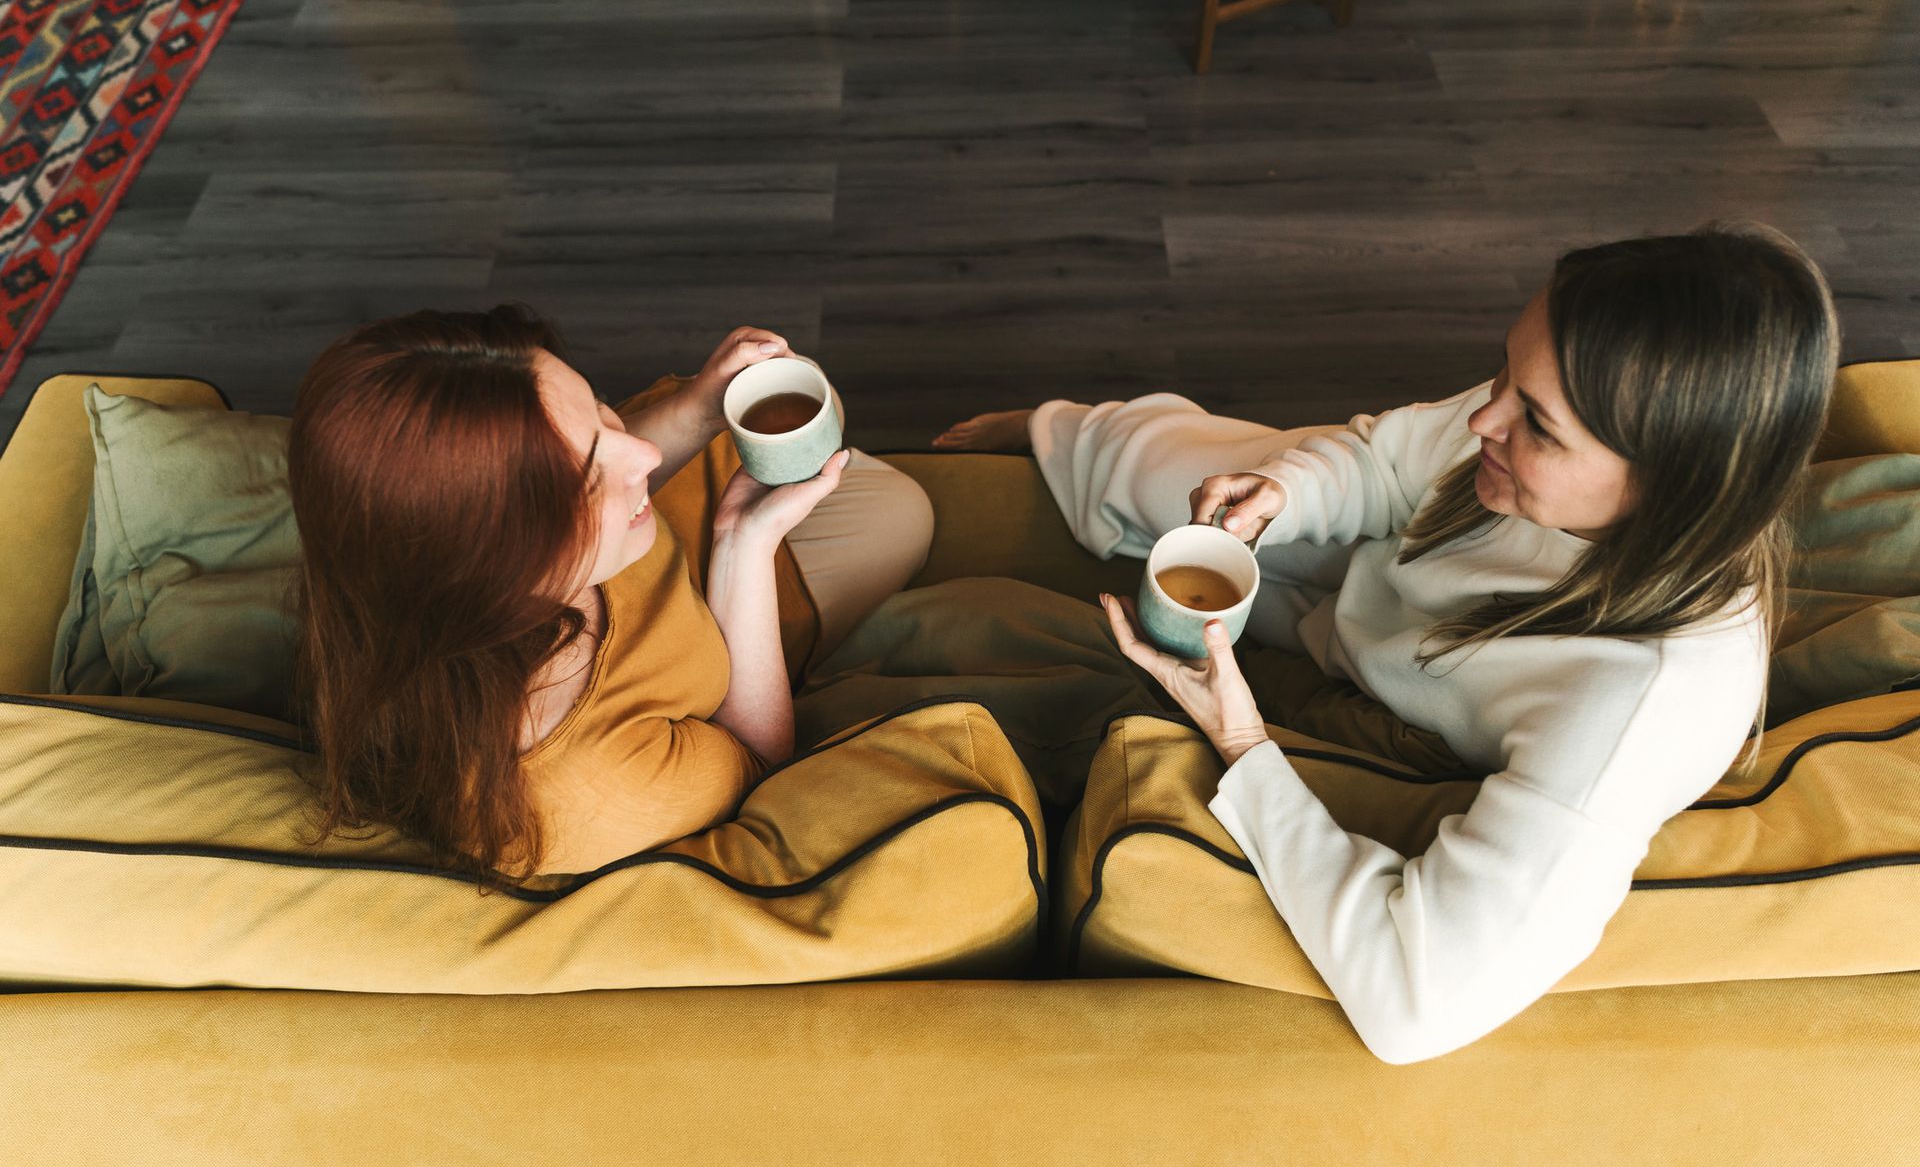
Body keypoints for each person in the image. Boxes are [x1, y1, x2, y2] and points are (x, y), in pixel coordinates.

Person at [936, 222, 1839, 1063]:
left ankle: (1075, 445)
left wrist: (1243, 743)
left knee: (1126, 561)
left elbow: (1417, 1007)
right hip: (1381, 589)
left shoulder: (1638, 706)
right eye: (1503, 374)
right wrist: (1288, 493)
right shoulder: (1537, 413)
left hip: (1390, 690)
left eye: (1537, 425)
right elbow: (1386, 460)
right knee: (1191, 474)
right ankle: (1065, 431)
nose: (1485, 420)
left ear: (1673, 484)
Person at [286, 306, 933, 883]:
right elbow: (756, 759)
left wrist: (699, 409)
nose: (645, 453)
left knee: (816, 400)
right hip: (738, 593)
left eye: (598, 409)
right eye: (586, 475)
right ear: (493, 564)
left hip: (678, 528)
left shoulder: (388, 564)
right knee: (904, 515)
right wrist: (743, 544)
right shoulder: (594, 784)